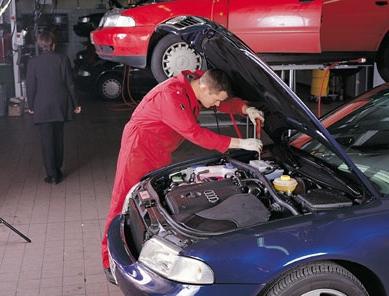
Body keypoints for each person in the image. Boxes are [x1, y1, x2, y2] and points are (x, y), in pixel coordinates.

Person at [102, 69, 264, 282]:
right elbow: (195, 133)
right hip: (139, 148)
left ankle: (149, 249)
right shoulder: (171, 95)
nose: (217, 105)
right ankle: (108, 261)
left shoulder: (198, 82)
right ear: (204, 88)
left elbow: (221, 99)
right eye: (215, 100)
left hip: (160, 149)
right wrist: (240, 143)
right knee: (123, 200)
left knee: (154, 200)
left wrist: (246, 108)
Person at [26, 31, 81, 184]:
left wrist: (31, 105)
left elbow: (30, 87)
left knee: (46, 141)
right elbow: (70, 83)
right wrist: (76, 104)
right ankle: (58, 169)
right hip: (60, 105)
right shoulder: (62, 59)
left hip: (42, 106)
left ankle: (52, 175)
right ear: (53, 44)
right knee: (58, 139)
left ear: (40, 45)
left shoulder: (33, 62)